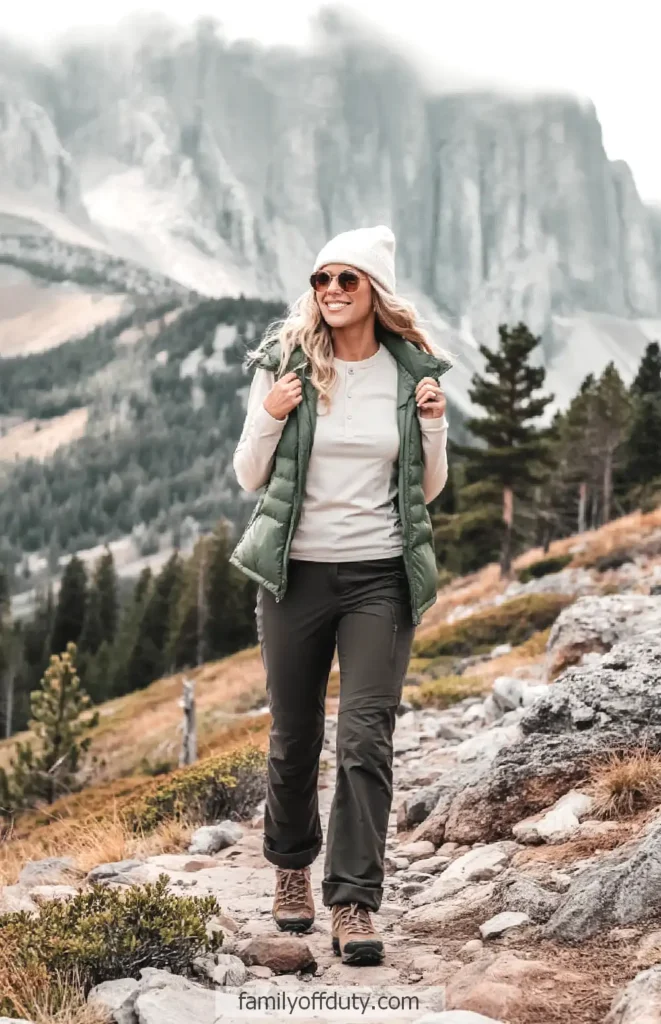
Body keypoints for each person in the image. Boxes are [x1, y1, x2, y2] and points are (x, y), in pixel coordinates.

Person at [230, 225, 452, 966]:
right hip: (293, 576)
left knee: (365, 739)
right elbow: (247, 477)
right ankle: (290, 868)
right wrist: (269, 416)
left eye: (346, 280)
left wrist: (433, 427)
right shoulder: (284, 365)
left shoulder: (408, 373)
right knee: (294, 739)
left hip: (379, 578)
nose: (329, 291)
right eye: (321, 278)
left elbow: (426, 491)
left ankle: (353, 901)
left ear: (374, 291)